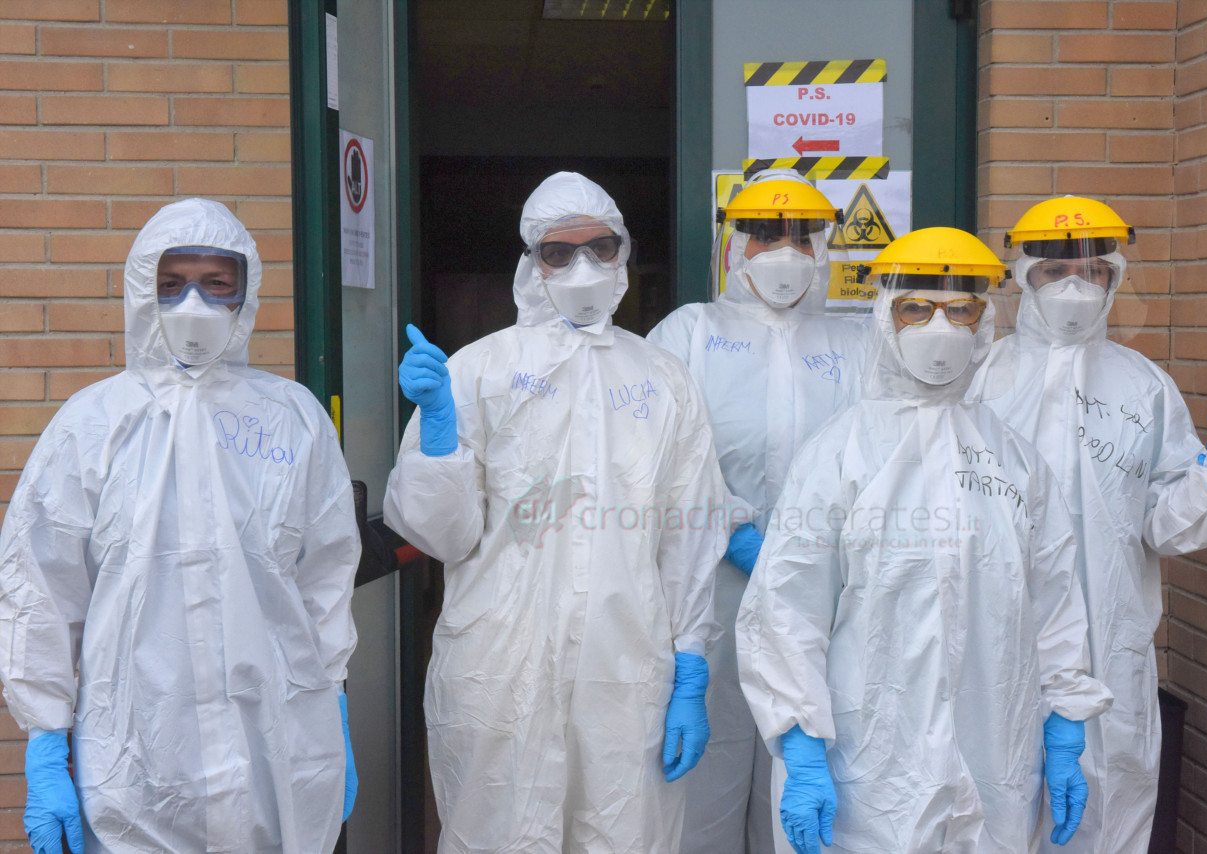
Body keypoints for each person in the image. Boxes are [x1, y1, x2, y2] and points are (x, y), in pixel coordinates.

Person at [736, 227, 1114, 854]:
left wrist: (1066, 728)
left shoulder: (1014, 460)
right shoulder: (838, 455)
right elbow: (786, 613)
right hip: (869, 767)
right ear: (886, 317)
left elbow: (1054, 603)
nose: (941, 327)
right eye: (916, 308)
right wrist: (800, 745)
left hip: (996, 755)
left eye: (960, 309)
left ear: (983, 323)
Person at [383, 172, 729, 853]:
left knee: (623, 834)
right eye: (558, 252)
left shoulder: (663, 379)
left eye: (601, 247)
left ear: (624, 253)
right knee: (502, 833)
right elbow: (442, 535)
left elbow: (689, 531)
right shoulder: (476, 370)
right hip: (500, 664)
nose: (582, 267)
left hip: (626, 666)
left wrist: (690, 661)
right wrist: (439, 437)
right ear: (530, 262)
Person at [0, 199, 360, 854]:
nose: (194, 304)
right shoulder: (90, 426)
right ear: (143, 289)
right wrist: (45, 739)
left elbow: (326, 578)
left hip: (276, 748)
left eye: (217, 283)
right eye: (171, 284)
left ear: (246, 291)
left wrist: (331, 699)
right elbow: (40, 593)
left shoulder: (294, 420)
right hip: (136, 762)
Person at [969, 197, 1207, 854]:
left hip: (1108, 640)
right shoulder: (981, 375)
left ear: (1113, 278)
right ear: (1025, 276)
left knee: (1109, 803)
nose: (1074, 286)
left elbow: (1164, 526)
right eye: (1056, 270)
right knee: (992, 797)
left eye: (1092, 271)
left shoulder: (1142, 385)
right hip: (993, 626)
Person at [647, 170, 869, 854]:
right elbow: (661, 458)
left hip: (821, 596)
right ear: (732, 243)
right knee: (702, 792)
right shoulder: (689, 333)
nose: (784, 252)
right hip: (707, 593)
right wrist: (737, 532)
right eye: (765, 235)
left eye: (801, 236)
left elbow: (877, 461)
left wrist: (812, 555)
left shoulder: (856, 345)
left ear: (824, 247)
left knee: (804, 777)